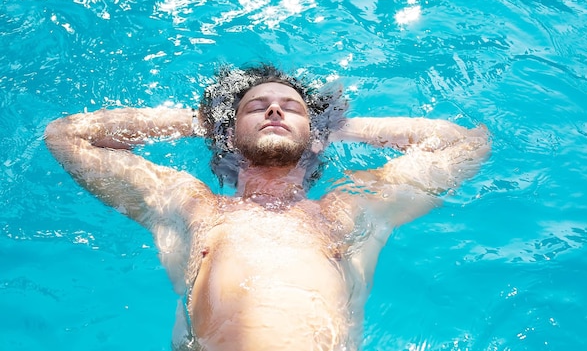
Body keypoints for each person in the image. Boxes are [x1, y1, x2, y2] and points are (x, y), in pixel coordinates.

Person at [45, 64, 490, 351]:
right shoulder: (192, 206)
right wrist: (204, 123)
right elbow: (67, 136)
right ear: (231, 131)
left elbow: (467, 144)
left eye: (290, 109)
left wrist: (339, 129)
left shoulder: (347, 209)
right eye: (257, 107)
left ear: (313, 134)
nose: (274, 109)